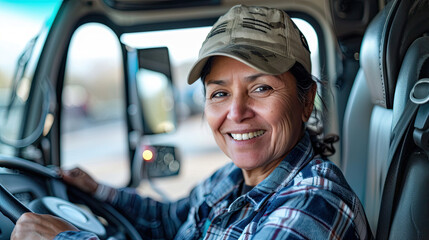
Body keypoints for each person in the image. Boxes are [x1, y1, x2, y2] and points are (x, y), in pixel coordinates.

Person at [12, 5, 373, 240]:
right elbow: (169, 221)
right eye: (219, 93)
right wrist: (97, 191)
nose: (236, 112)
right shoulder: (233, 179)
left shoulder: (313, 203)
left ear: (305, 100)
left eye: (261, 87)